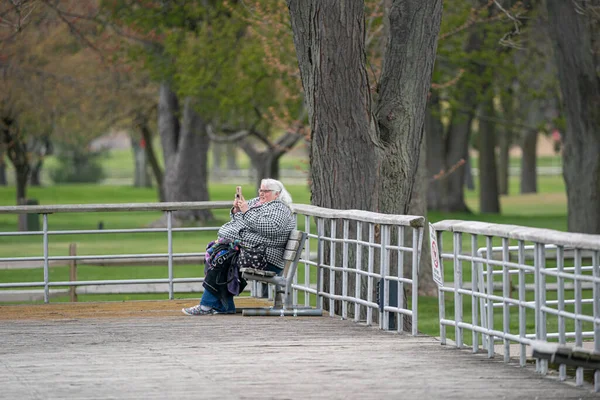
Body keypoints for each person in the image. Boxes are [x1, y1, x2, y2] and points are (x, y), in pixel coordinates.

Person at [182, 178, 295, 315]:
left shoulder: (279, 208)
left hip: (265, 258)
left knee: (223, 259)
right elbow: (241, 222)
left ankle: (206, 306)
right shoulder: (256, 203)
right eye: (261, 190)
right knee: (220, 255)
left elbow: (271, 229)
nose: (261, 193)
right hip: (251, 252)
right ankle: (224, 305)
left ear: (277, 194)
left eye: (266, 191)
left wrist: (246, 211)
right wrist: (237, 210)